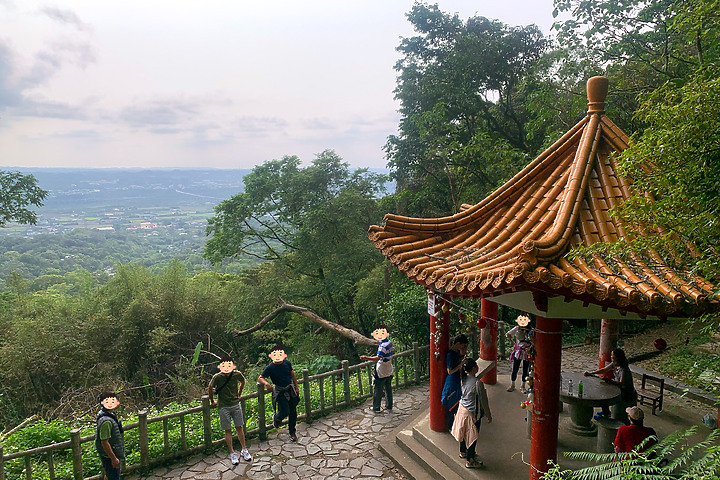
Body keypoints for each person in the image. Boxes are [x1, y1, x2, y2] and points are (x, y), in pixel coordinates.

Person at [208, 356, 252, 464]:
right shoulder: (217, 377)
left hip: (235, 404)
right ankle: (232, 453)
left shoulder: (236, 374)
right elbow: (210, 387)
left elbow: (242, 381)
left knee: (239, 427)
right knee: (227, 430)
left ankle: (244, 449)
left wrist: (239, 394)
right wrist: (212, 401)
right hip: (223, 406)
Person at [450, 358, 492, 469]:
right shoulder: (478, 383)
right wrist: (488, 414)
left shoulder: (463, 378)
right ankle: (470, 460)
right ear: (474, 368)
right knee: (472, 436)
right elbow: (483, 401)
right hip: (472, 413)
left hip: (462, 409)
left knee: (464, 432)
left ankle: (462, 452)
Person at [258, 344, 301, 442]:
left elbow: (292, 375)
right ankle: (277, 419)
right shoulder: (270, 367)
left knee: (293, 412)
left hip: (290, 389)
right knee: (285, 410)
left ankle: (292, 432)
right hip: (279, 391)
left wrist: (296, 387)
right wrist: (267, 384)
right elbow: (260, 378)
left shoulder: (287, 363)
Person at [584, 347, 637, 422]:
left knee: (606, 396)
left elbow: (621, 383)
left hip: (626, 392)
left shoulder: (624, 369)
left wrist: (609, 380)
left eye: (613, 357)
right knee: (603, 393)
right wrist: (591, 373)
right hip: (617, 387)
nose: (611, 358)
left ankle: (607, 415)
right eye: (611, 356)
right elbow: (604, 369)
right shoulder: (614, 364)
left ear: (618, 358)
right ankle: (606, 412)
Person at [360, 324, 395, 413]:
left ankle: (376, 408)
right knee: (388, 388)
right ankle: (389, 405)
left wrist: (366, 357)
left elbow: (378, 357)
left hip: (382, 369)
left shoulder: (382, 346)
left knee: (378, 389)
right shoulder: (389, 343)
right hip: (389, 367)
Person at [94, 392, 125, 480]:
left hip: (112, 452)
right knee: (114, 476)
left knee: (109, 475)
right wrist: (113, 458)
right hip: (109, 456)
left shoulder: (109, 414)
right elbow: (104, 442)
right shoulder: (106, 421)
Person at [442, 334, 469, 430]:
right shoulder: (450, 354)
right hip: (452, 380)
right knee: (451, 402)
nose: (463, 347)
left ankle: (456, 424)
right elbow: (449, 371)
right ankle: (450, 426)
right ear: (458, 343)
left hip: (457, 379)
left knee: (458, 402)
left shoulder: (457, 352)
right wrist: (460, 364)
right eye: (463, 345)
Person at [506, 314, 533, 392]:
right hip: (518, 351)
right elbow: (508, 334)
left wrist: (530, 348)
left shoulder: (531, 330)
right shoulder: (517, 328)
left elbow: (534, 341)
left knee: (525, 370)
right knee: (515, 369)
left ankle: (523, 386)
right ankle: (512, 384)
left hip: (527, 352)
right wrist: (514, 344)